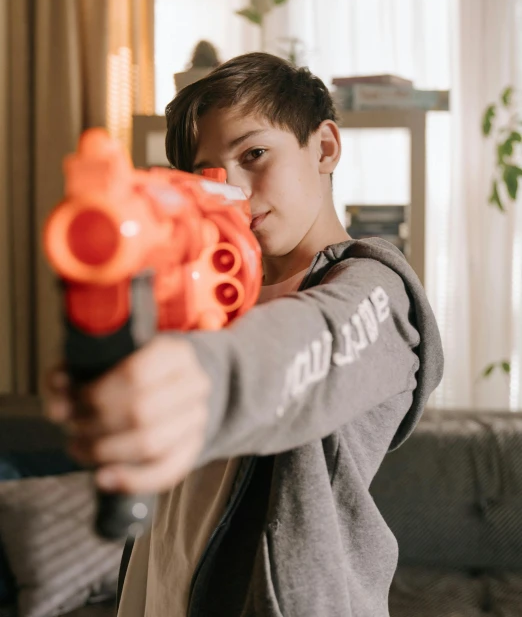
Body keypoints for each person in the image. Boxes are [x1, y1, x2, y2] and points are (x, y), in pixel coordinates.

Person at [46, 52, 443, 617]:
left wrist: (197, 381)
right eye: (208, 172)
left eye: (254, 154)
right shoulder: (211, 290)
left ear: (325, 147)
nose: (232, 189)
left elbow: (315, 344)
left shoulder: (375, 289)